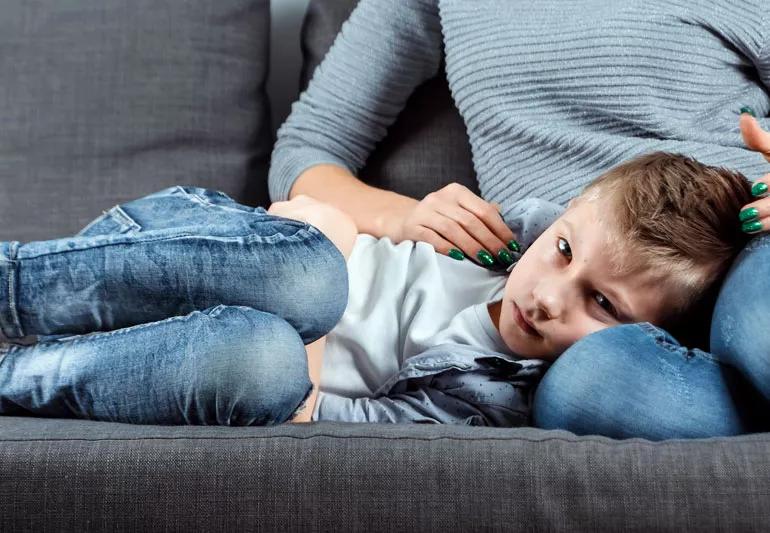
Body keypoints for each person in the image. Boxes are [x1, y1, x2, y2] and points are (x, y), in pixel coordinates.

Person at [0, 147, 760, 437]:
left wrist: (311, 346)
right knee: (314, 269)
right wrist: (323, 230)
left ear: (643, 340)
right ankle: (12, 284)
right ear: (556, 221)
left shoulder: (493, 397)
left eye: (604, 306)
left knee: (268, 363)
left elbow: (346, 415)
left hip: (207, 352)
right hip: (200, 254)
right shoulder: (500, 238)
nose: (553, 294)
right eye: (563, 251)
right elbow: (297, 217)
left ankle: (16, 377)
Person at [267, 0, 770, 438]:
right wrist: (405, 218)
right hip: (583, 318)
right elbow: (310, 147)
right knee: (594, 391)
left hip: (751, 240)